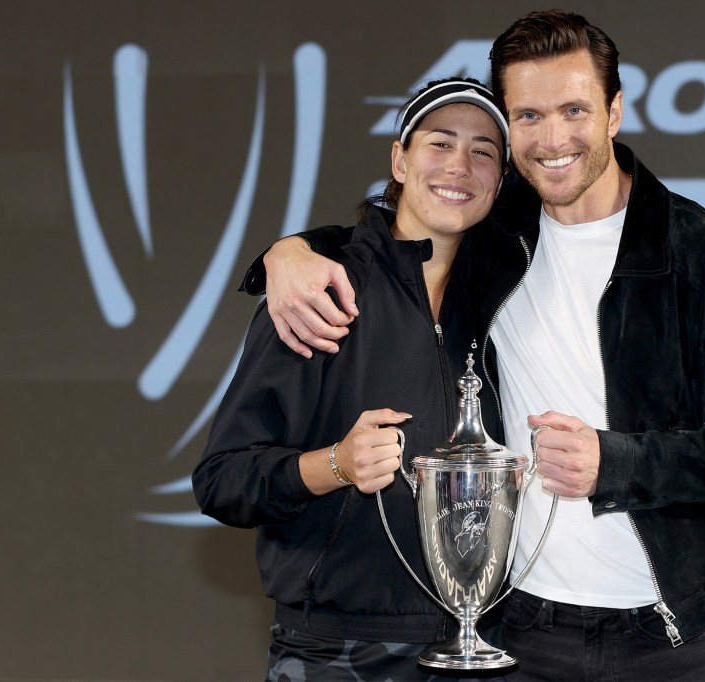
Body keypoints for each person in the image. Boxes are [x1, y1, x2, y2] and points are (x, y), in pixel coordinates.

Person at [241, 10, 705, 681]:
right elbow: (390, 234)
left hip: (684, 641)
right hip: (520, 635)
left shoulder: (700, 255)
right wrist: (286, 255)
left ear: (614, 112)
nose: (553, 139)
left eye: (574, 110)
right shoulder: (493, 234)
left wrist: (620, 462)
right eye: (528, 116)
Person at [192, 77, 510, 680]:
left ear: (499, 181)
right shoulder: (321, 293)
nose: (460, 166)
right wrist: (335, 463)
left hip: (486, 648)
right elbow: (221, 478)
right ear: (400, 158)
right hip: (340, 652)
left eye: (483, 152)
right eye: (440, 143)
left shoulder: (509, 298)